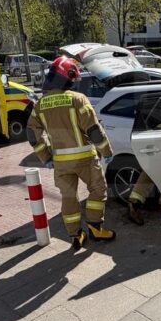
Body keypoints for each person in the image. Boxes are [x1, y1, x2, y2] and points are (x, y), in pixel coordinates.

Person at [27, 56, 116, 249]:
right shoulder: (77, 99)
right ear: (65, 78)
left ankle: (76, 235)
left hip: (60, 163)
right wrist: (106, 150)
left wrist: (46, 157)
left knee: (69, 198)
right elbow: (93, 130)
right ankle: (95, 228)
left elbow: (32, 135)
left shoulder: (40, 104)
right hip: (85, 159)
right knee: (98, 191)